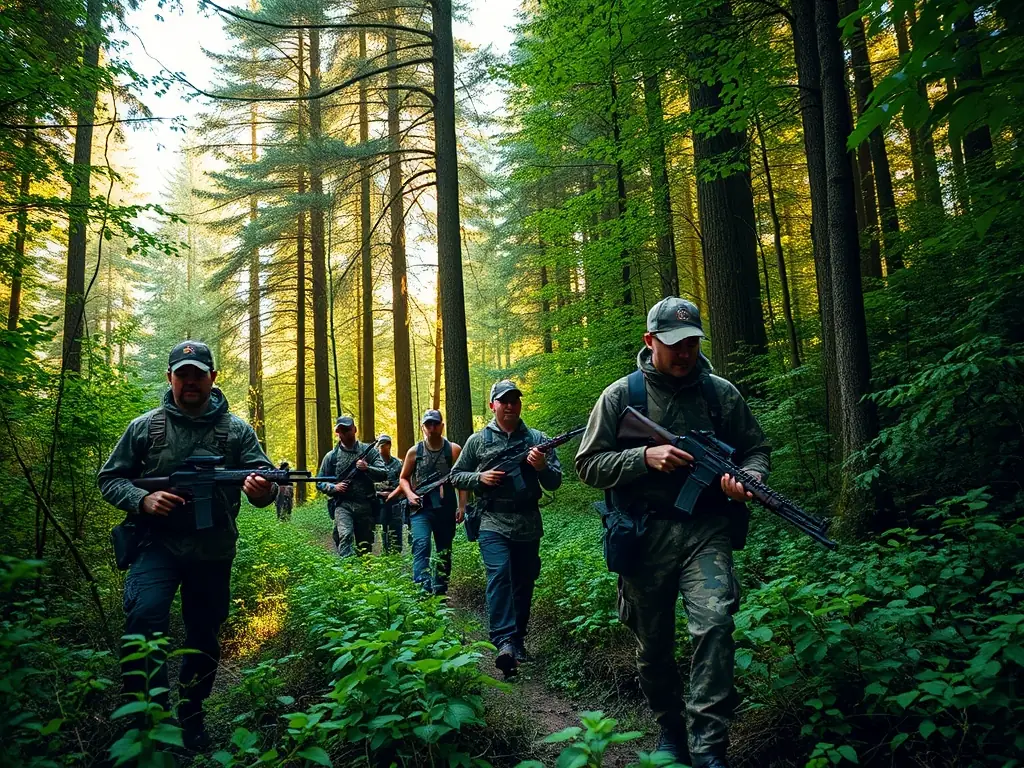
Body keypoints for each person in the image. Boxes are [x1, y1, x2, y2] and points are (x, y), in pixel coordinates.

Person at [574, 297, 771, 768]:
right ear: (650, 342)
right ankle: (670, 726)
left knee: (715, 624)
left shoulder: (721, 394)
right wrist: (642, 458)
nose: (684, 353)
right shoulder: (622, 396)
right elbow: (587, 466)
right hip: (644, 537)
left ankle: (708, 748)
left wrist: (751, 478)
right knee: (653, 645)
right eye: (673, 344)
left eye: (691, 343)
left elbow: (756, 449)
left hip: (706, 530)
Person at [98, 340, 277, 751]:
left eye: (199, 374)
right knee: (143, 621)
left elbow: (263, 488)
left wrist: (262, 487)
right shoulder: (146, 426)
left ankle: (191, 718)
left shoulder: (237, 430)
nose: (191, 381)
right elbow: (110, 479)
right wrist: (142, 500)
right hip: (154, 544)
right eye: (183, 374)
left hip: (212, 550)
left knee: (204, 635)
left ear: (213, 378)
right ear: (170, 378)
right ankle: (145, 723)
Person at [450, 382, 562, 677]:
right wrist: (480, 477)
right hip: (492, 522)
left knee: (524, 582)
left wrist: (541, 468)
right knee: (499, 575)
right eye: (504, 401)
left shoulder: (537, 439)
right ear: (493, 405)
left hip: (527, 523)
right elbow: (455, 475)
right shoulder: (478, 441)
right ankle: (504, 642)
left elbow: (554, 482)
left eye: (515, 400)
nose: (510, 405)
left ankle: (518, 638)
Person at [393, 409, 462, 594]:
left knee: (444, 551)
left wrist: (462, 506)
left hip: (446, 509)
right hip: (420, 509)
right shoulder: (414, 452)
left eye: (435, 424)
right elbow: (403, 478)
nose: (432, 428)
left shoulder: (453, 450)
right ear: (423, 427)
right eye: (428, 424)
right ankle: (422, 590)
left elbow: (462, 479)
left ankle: (440, 590)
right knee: (421, 544)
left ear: (442, 425)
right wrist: (409, 494)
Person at [316, 416, 387, 557]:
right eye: (341, 430)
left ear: (354, 430)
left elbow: (383, 473)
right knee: (345, 535)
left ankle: (363, 574)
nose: (344, 433)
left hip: (365, 505)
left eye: (347, 430)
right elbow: (320, 482)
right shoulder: (332, 456)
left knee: (365, 545)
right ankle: (346, 570)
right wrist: (334, 488)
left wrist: (367, 468)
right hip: (343, 505)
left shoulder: (369, 451)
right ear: (337, 432)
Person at [374, 434, 405, 553]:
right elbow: (371, 483)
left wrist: (392, 491)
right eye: (380, 446)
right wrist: (381, 491)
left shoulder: (398, 464)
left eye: (383, 445)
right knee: (383, 528)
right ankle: (385, 551)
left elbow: (403, 482)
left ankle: (396, 553)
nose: (381, 448)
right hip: (379, 501)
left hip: (395, 501)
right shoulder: (375, 464)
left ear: (389, 446)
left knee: (396, 527)